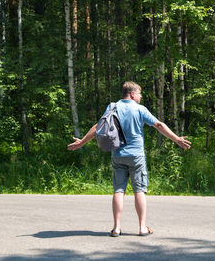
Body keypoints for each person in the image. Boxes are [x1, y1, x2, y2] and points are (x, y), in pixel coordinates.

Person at [67, 81, 191, 237]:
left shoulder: (113, 107)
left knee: (119, 191)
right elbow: (159, 125)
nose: (140, 97)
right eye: (139, 94)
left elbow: (98, 126)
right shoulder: (140, 109)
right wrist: (176, 139)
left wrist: (81, 143)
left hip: (117, 155)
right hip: (136, 156)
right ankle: (142, 228)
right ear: (132, 94)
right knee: (139, 191)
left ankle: (116, 228)